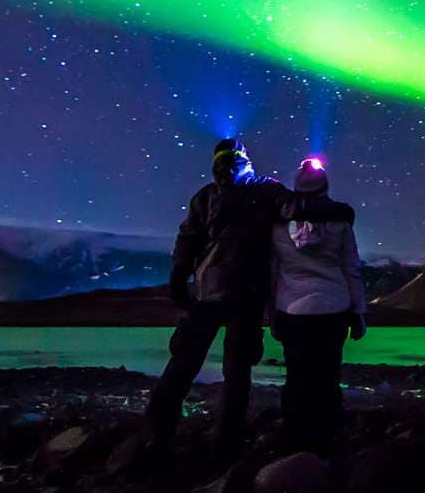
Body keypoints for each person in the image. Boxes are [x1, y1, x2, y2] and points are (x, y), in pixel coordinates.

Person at [142, 139, 355, 461]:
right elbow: (297, 208)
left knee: (183, 364)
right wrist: (339, 211)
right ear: (245, 159)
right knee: (237, 372)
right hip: (248, 296)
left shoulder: (206, 195)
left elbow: (187, 239)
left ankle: (156, 434)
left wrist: (178, 280)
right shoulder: (266, 189)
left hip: (207, 292)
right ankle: (226, 441)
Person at [270, 157, 366, 457]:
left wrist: (271, 314)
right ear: (325, 188)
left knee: (297, 377)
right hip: (333, 309)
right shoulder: (341, 226)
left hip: (292, 311)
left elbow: (273, 272)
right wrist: (358, 311)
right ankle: (326, 441)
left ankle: (295, 440)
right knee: (327, 378)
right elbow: (352, 269)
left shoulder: (277, 226)